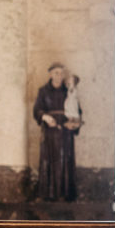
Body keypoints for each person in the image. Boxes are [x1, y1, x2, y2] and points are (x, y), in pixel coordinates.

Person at [32, 62, 81, 201]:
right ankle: (48, 195)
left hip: (66, 133)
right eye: (56, 73)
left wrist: (74, 124)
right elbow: (37, 110)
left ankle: (65, 196)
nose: (59, 76)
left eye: (61, 73)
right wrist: (45, 117)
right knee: (49, 160)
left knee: (66, 160)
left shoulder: (69, 91)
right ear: (50, 74)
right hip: (49, 133)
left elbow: (77, 110)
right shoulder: (43, 91)